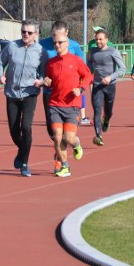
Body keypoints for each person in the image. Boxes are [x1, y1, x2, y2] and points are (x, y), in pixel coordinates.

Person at [0, 20, 44, 177]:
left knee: (26, 127)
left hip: (30, 93)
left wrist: (41, 80)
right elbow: (0, 63)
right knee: (14, 131)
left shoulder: (41, 52)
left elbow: (45, 72)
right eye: (23, 31)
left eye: (29, 32)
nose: (26, 35)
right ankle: (22, 150)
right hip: (12, 93)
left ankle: (24, 163)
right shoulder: (12, 47)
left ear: (35, 34)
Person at [42, 29, 93, 178]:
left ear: (67, 43)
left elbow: (88, 75)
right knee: (58, 137)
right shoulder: (51, 63)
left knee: (68, 138)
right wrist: (47, 82)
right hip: (55, 104)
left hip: (72, 105)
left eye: (60, 42)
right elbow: (49, 82)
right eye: (55, 43)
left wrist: (81, 88)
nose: (57, 45)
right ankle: (65, 166)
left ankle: (76, 145)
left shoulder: (76, 61)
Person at [86, 28, 126, 145]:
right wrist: (90, 71)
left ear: (106, 40)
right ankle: (98, 136)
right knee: (97, 110)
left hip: (110, 86)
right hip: (97, 85)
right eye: (96, 39)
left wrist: (110, 77)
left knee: (108, 112)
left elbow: (123, 68)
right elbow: (88, 62)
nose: (98, 42)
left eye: (101, 39)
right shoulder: (92, 52)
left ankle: (107, 119)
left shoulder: (113, 51)